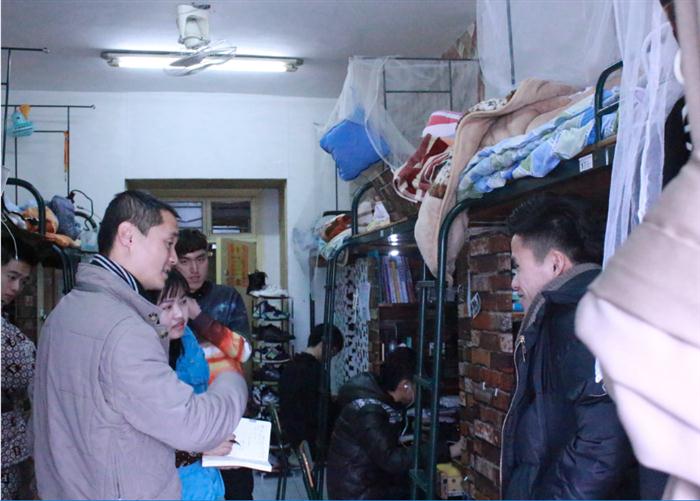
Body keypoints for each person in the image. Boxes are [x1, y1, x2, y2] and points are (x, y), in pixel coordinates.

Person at [33, 191, 248, 500]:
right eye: (168, 243)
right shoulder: (125, 329)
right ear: (128, 236)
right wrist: (231, 379)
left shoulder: (63, 312)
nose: (173, 258)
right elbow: (194, 425)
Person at [501, 193, 635, 499]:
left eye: (517, 267)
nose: (514, 283)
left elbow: (603, 445)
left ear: (555, 264)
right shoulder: (566, 314)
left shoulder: (579, 320)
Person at [175, 228, 254, 500]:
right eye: (185, 261)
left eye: (200, 259)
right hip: (188, 419)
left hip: (228, 413)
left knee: (237, 492)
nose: (194, 269)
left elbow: (243, 351)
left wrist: (198, 316)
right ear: (173, 262)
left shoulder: (226, 297)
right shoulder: (167, 301)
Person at [326, 347, 461, 500]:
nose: (420, 392)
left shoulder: (374, 398)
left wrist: (412, 424)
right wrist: (448, 450)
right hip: (358, 494)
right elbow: (392, 460)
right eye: (417, 386)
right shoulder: (368, 411)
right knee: (426, 492)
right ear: (405, 385)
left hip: (361, 485)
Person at [155, 269, 242, 501]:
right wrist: (198, 449)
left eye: (183, 302)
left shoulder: (187, 338)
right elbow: (140, 444)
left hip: (206, 482)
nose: (179, 314)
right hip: (171, 487)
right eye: (167, 307)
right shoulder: (140, 357)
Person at [1, 232, 38, 499]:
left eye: (22, 281)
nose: (16, 288)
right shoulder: (10, 341)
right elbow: (32, 374)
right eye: (11, 276)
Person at [279, 323, 344, 450]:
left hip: (293, 436)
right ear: (324, 344)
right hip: (311, 441)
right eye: (332, 352)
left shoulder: (289, 367)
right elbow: (322, 414)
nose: (330, 358)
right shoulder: (316, 372)